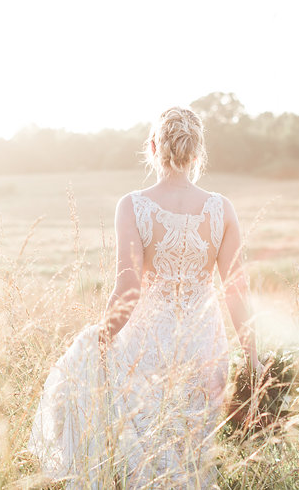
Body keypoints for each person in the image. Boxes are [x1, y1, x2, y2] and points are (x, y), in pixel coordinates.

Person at [28, 106, 262, 488]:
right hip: (205, 347)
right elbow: (237, 292)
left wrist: (100, 337)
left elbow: (129, 289)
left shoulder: (134, 206)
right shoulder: (222, 209)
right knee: (193, 456)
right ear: (198, 153)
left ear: (153, 147)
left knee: (147, 457)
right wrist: (253, 360)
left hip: (147, 347)